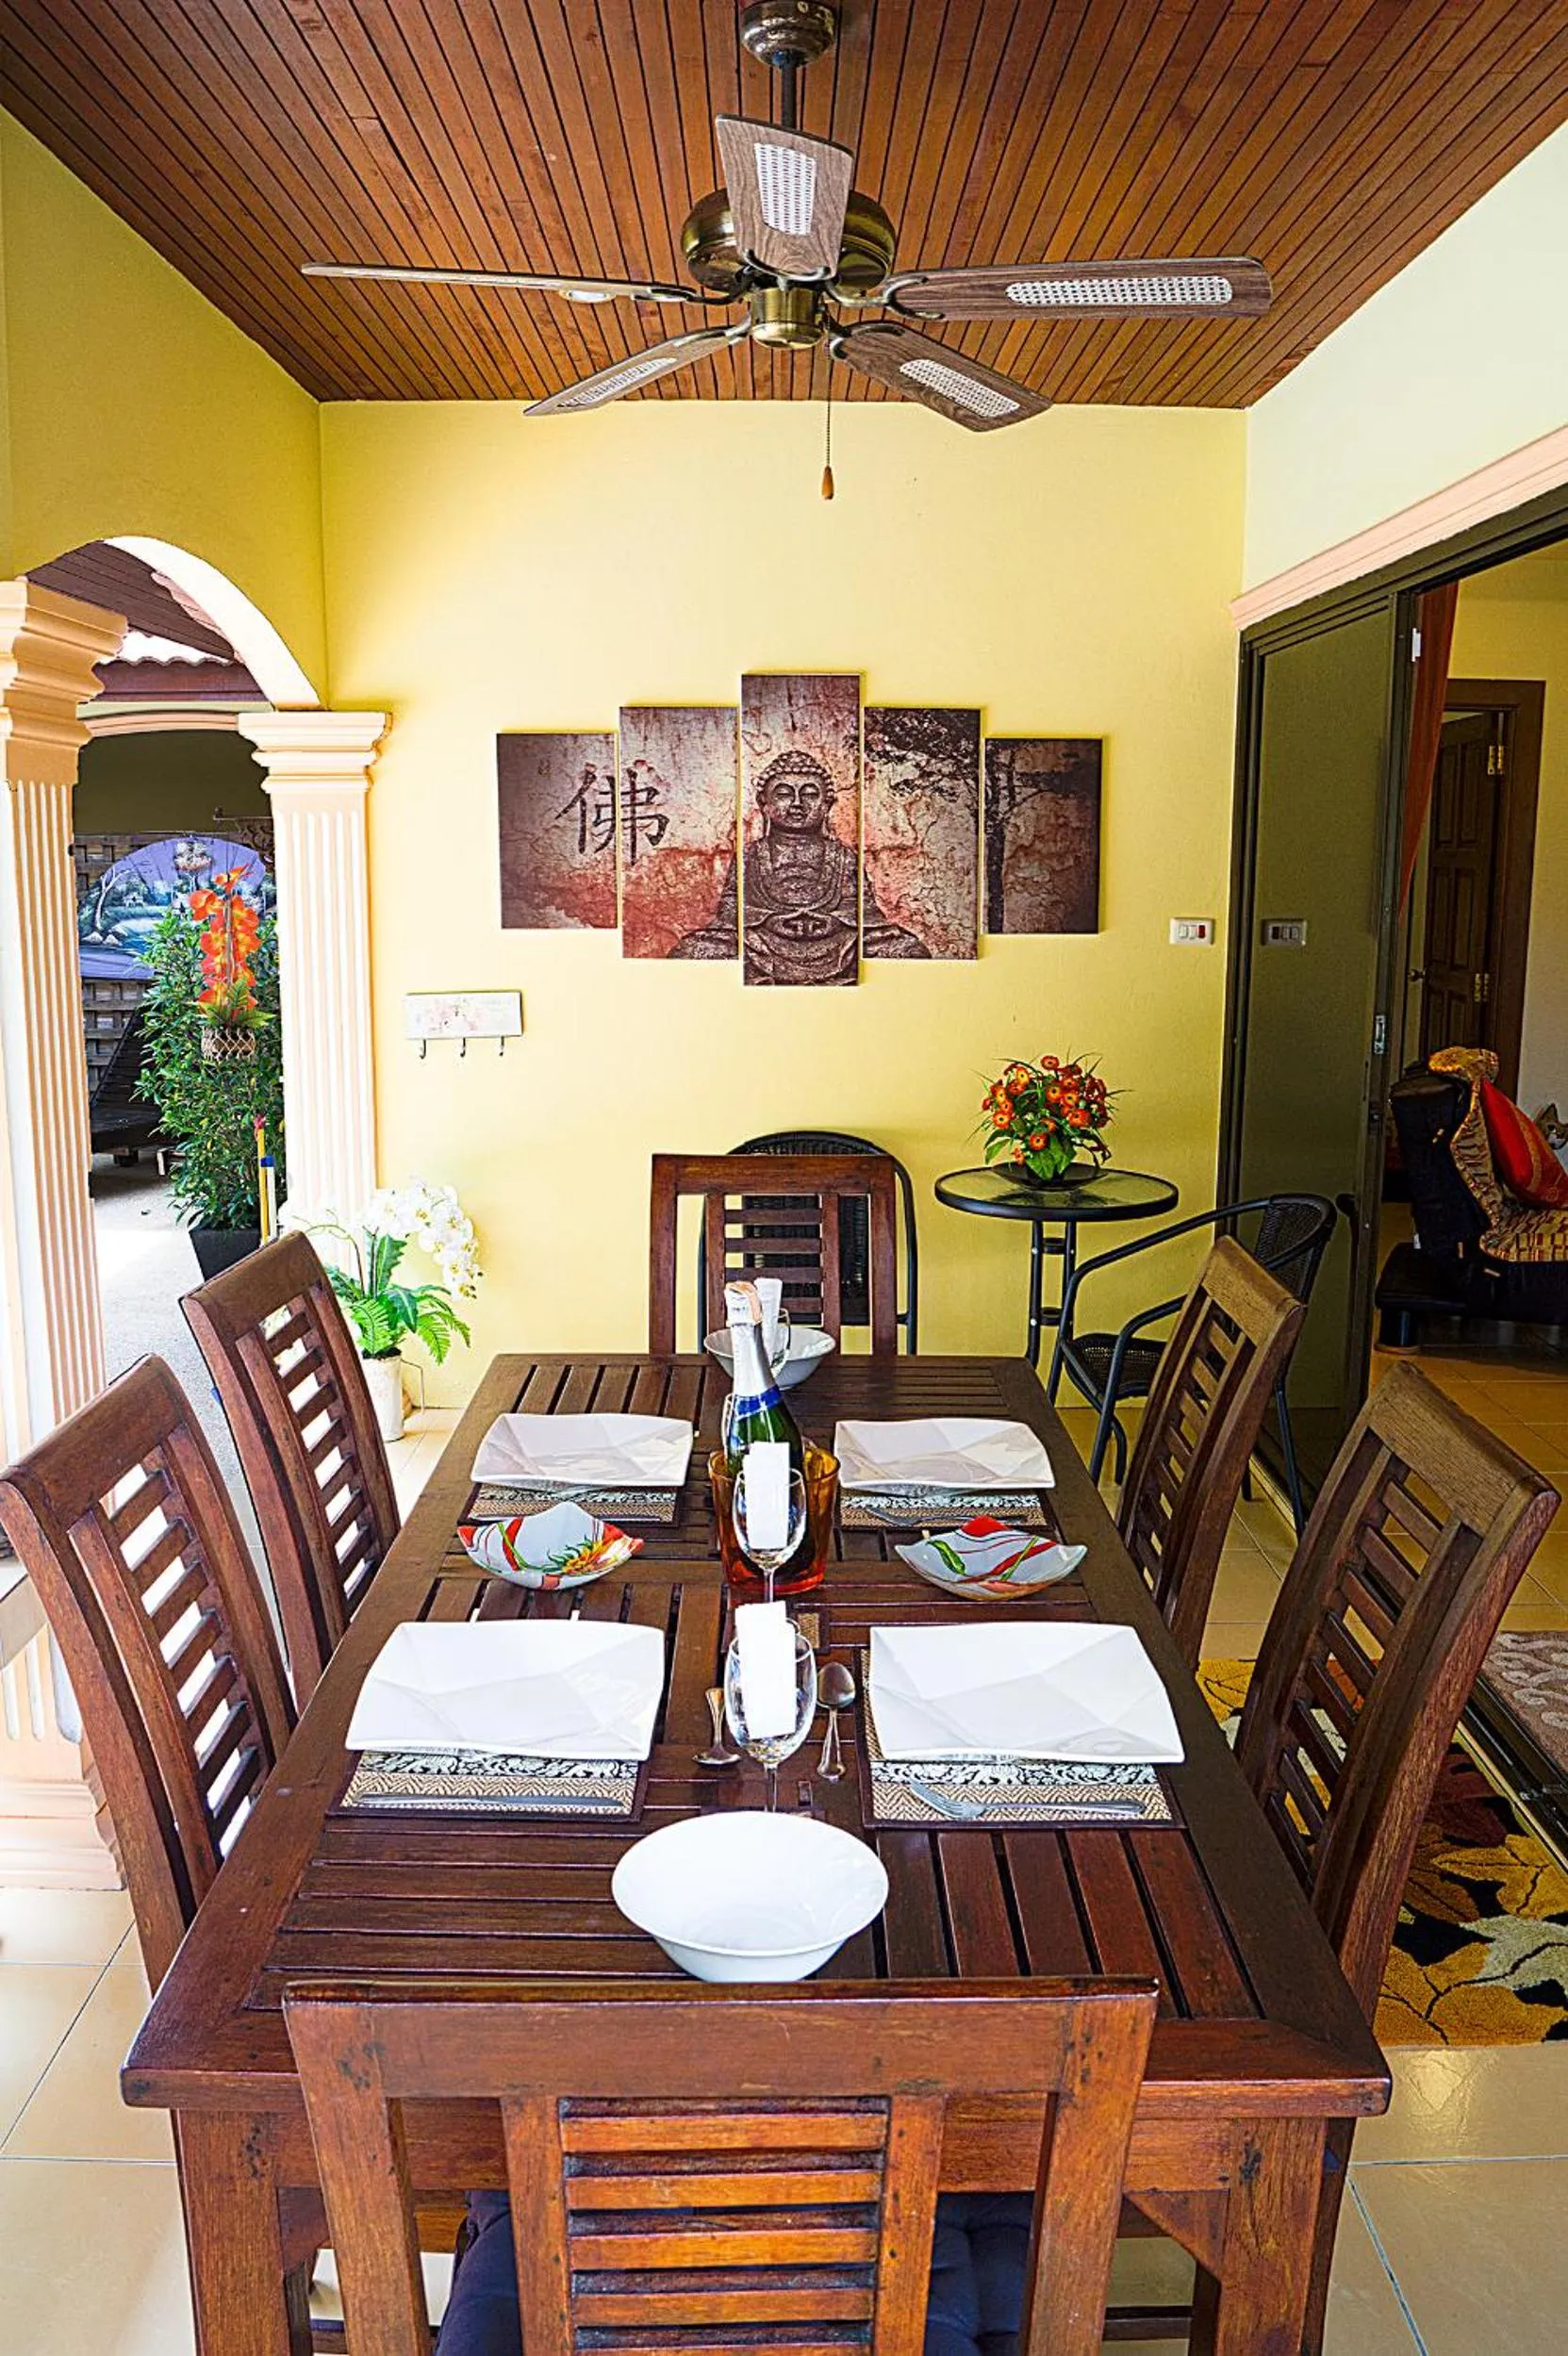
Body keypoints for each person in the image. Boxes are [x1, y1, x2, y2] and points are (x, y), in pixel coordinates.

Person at [671, 748, 928, 979]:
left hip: (836, 940)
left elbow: (864, 912)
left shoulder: (843, 856)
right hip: (762, 940)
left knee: (906, 950)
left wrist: (832, 923)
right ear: (765, 804)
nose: (797, 803)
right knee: (694, 951)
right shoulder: (750, 855)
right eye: (784, 794)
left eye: (810, 794)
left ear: (826, 805)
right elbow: (730, 913)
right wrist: (770, 922)